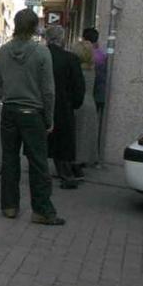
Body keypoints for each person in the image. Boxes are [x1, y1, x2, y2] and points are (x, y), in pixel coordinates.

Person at [0, 9, 64, 226]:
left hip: (10, 112)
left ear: (14, 24)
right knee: (38, 163)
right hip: (33, 114)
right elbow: (49, 90)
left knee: (9, 160)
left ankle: (9, 206)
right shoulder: (42, 53)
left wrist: (6, 97)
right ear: (35, 27)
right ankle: (41, 211)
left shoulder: (3, 52)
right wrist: (49, 118)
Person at [44, 26, 85, 189]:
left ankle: (40, 175)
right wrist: (73, 103)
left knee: (41, 142)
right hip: (63, 107)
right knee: (63, 143)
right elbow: (78, 87)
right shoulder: (71, 59)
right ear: (61, 39)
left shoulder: (39, 55)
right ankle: (66, 175)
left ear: (47, 38)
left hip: (41, 106)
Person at [72, 31, 100, 176]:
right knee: (86, 137)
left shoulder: (77, 70)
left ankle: (74, 166)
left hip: (77, 105)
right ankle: (81, 164)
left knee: (76, 136)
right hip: (90, 103)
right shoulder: (92, 68)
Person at [84, 28, 107, 166]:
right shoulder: (102, 55)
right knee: (94, 128)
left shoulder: (86, 54)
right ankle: (94, 157)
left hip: (88, 96)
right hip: (99, 96)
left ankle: (86, 156)